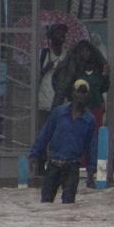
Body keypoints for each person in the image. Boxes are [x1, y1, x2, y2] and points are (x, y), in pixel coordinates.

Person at [29, 79, 97, 204]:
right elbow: (45, 134)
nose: (81, 96)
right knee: (46, 202)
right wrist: (34, 155)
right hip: (54, 165)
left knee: (68, 205)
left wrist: (91, 171)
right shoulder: (59, 112)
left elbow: (91, 147)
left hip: (72, 167)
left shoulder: (89, 120)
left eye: (84, 93)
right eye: (79, 92)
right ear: (73, 93)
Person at [52, 40, 109, 187]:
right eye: (82, 51)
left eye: (88, 51)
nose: (85, 54)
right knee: (76, 141)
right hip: (79, 111)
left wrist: (105, 76)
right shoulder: (74, 71)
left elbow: (103, 87)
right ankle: (72, 174)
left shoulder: (98, 72)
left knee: (94, 142)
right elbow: (62, 84)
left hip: (95, 110)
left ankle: (91, 175)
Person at [35, 23, 68, 174]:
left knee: (60, 135)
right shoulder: (43, 54)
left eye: (63, 33)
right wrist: (46, 68)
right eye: (58, 33)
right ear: (51, 37)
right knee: (44, 134)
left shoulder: (67, 55)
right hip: (44, 102)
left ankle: (57, 165)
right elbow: (34, 77)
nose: (62, 36)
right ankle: (40, 165)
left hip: (62, 103)